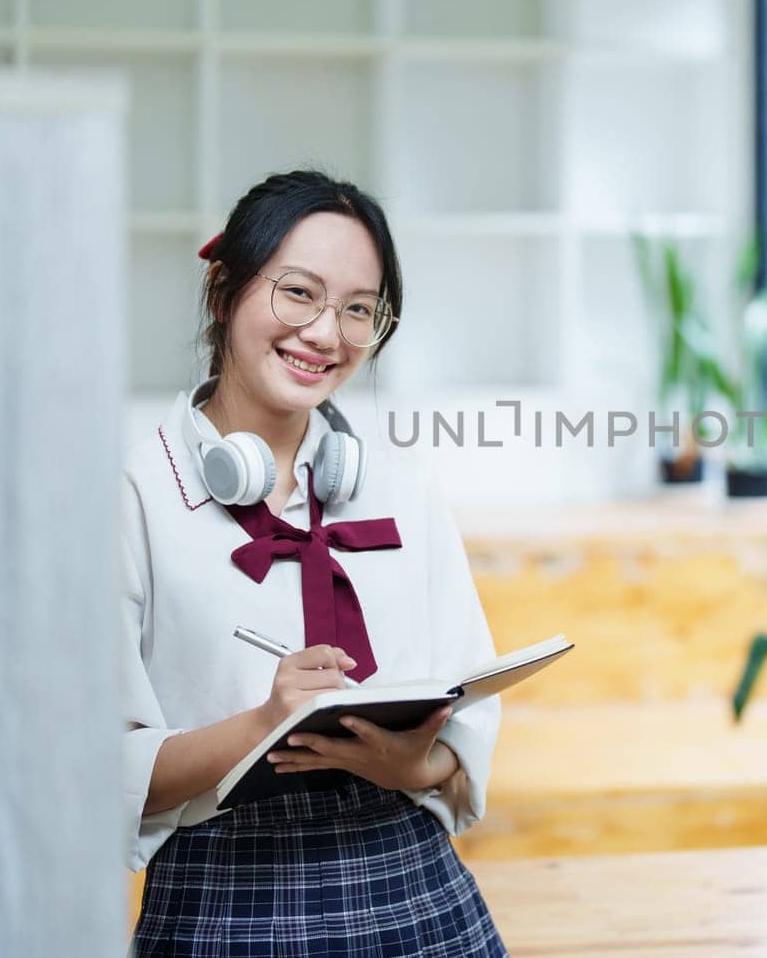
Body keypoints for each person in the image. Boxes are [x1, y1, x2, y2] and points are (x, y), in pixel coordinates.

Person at [122, 169, 508, 956]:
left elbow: (466, 733)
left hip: (414, 884)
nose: (327, 334)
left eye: (359, 309)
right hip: (224, 895)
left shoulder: (404, 486)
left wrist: (417, 764)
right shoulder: (134, 494)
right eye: (298, 292)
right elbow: (100, 769)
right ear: (226, 288)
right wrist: (265, 724)